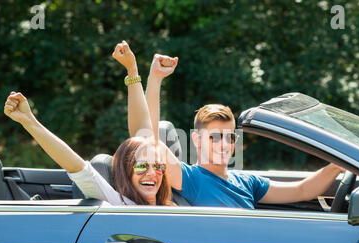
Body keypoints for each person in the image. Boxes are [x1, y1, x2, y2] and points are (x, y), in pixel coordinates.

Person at [129, 52, 345, 209]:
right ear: (196, 139)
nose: (224, 144)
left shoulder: (247, 182)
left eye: (229, 137)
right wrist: (155, 79)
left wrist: (337, 165)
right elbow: (148, 139)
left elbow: (302, 190)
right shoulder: (190, 179)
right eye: (214, 137)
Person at [3, 41, 176, 206]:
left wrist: (133, 69)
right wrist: (28, 121)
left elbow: (145, 136)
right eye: (142, 166)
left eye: (158, 166)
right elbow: (76, 166)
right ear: (126, 172)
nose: (153, 173)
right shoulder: (119, 203)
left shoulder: (169, 205)